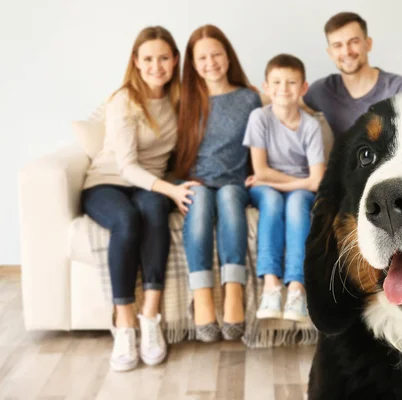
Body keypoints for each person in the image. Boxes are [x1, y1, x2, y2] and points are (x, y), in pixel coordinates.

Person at [82, 26, 198, 372]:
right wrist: (172, 190)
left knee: (152, 211)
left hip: (151, 187)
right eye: (148, 58)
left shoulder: (179, 99)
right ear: (136, 61)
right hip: (106, 182)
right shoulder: (125, 99)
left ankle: (151, 316)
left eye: (164, 57)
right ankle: (124, 322)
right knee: (127, 220)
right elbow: (127, 167)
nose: (156, 66)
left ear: (174, 60)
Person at [174, 25, 262, 342]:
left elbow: (266, 137)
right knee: (198, 205)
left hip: (235, 183)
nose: (211, 62)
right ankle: (202, 296)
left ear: (228, 56)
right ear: (193, 63)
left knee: (227, 200)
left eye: (216, 54)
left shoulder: (249, 98)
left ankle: (234, 291)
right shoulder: (184, 99)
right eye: (202, 57)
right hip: (195, 181)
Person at [243, 54, 325, 323]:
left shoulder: (311, 126)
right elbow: (260, 170)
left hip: (297, 190)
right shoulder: (260, 118)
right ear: (266, 87)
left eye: (291, 82)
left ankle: (297, 289)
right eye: (276, 82)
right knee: (274, 203)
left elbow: (315, 181)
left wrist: (291, 183)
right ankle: (270, 285)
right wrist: (290, 181)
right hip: (265, 189)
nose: (283, 89)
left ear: (303, 88)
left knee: (296, 206)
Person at [303, 11, 402, 137]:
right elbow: (288, 107)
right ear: (330, 53)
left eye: (354, 42)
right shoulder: (322, 91)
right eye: (337, 45)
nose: (346, 51)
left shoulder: (400, 90)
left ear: (368, 44)